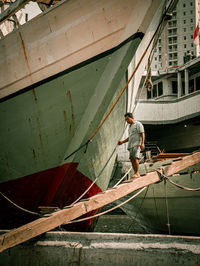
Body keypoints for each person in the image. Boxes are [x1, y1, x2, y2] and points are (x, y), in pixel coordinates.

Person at [118, 113, 145, 179]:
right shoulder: (130, 127)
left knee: (135, 157)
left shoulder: (138, 124)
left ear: (131, 117)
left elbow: (142, 133)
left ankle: (137, 172)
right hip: (131, 145)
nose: (126, 121)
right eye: (126, 120)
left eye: (127, 119)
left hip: (137, 144)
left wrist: (142, 143)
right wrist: (122, 142)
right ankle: (135, 172)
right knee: (132, 159)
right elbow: (129, 137)